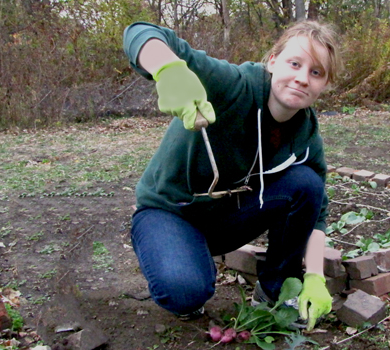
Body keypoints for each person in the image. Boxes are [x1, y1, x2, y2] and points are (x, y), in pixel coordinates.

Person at [122, 19, 342, 331]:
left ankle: (274, 290)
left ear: (325, 84)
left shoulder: (305, 132)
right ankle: (172, 256)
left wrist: (315, 276)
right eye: (295, 63)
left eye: (316, 72)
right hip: (170, 212)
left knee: (307, 183)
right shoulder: (233, 85)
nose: (302, 78)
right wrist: (168, 69)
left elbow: (317, 208)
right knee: (186, 292)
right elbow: (140, 32)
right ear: (273, 61)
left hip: (226, 218)